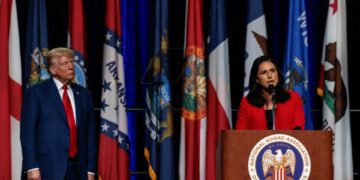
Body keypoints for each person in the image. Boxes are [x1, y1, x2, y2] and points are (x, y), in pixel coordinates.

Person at [20, 47, 97, 180]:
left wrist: (90, 170)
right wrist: (32, 167)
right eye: (65, 64)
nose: (71, 67)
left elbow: (90, 135)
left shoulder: (84, 95)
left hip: (79, 169)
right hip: (48, 167)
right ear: (53, 69)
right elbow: (27, 133)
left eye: (72, 62)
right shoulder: (36, 93)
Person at [236, 56, 305, 130]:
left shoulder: (293, 98)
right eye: (264, 72)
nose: (269, 75)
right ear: (257, 79)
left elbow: (299, 130)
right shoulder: (247, 104)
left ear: (277, 74)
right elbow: (240, 134)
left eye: (272, 71)